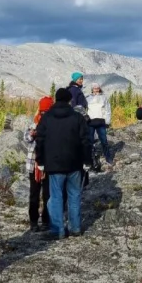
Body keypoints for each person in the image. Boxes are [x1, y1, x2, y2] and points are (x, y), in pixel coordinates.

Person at [35, 87, 92, 239]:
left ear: (56, 99)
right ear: (69, 100)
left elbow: (39, 140)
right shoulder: (77, 117)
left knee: (56, 197)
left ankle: (58, 230)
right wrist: (87, 160)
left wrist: (40, 160)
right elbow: (86, 141)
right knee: (74, 195)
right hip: (75, 163)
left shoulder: (46, 118)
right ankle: (75, 228)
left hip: (54, 165)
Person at [26, 95, 54, 231]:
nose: (43, 114)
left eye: (46, 111)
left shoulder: (53, 124)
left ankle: (46, 220)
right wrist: (32, 134)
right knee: (34, 194)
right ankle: (33, 221)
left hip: (48, 164)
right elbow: (27, 138)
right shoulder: (34, 123)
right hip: (33, 165)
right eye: (42, 111)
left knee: (48, 194)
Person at [87, 83, 113, 170]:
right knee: (90, 141)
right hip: (90, 121)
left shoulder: (104, 97)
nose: (96, 90)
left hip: (101, 121)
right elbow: (85, 110)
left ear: (99, 89)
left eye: (97, 88)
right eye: (94, 88)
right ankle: (90, 160)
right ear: (92, 89)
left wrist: (107, 121)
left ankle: (108, 159)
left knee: (104, 141)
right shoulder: (88, 98)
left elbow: (108, 109)